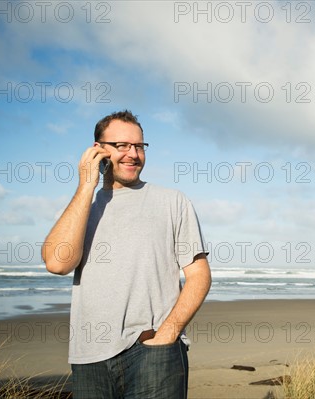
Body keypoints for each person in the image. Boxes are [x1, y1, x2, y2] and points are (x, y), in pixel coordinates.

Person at [42, 110, 211, 398]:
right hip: (88, 357)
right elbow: (58, 263)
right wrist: (86, 186)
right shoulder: (80, 209)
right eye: (122, 145)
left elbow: (199, 275)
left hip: (152, 351)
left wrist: (167, 335)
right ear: (98, 150)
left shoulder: (173, 202)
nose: (133, 154)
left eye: (139, 146)